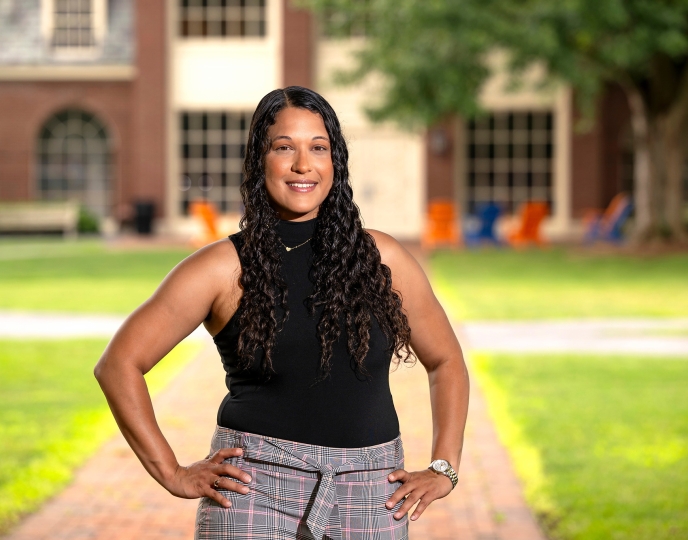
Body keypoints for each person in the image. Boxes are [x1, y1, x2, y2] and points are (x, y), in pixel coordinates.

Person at [94, 86, 469, 540]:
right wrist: (172, 472)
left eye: (318, 148)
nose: (302, 165)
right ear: (259, 161)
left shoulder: (382, 259)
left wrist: (443, 468)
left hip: (372, 494)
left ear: (336, 162)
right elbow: (118, 364)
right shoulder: (221, 268)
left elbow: (447, 362)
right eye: (284, 147)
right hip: (254, 491)